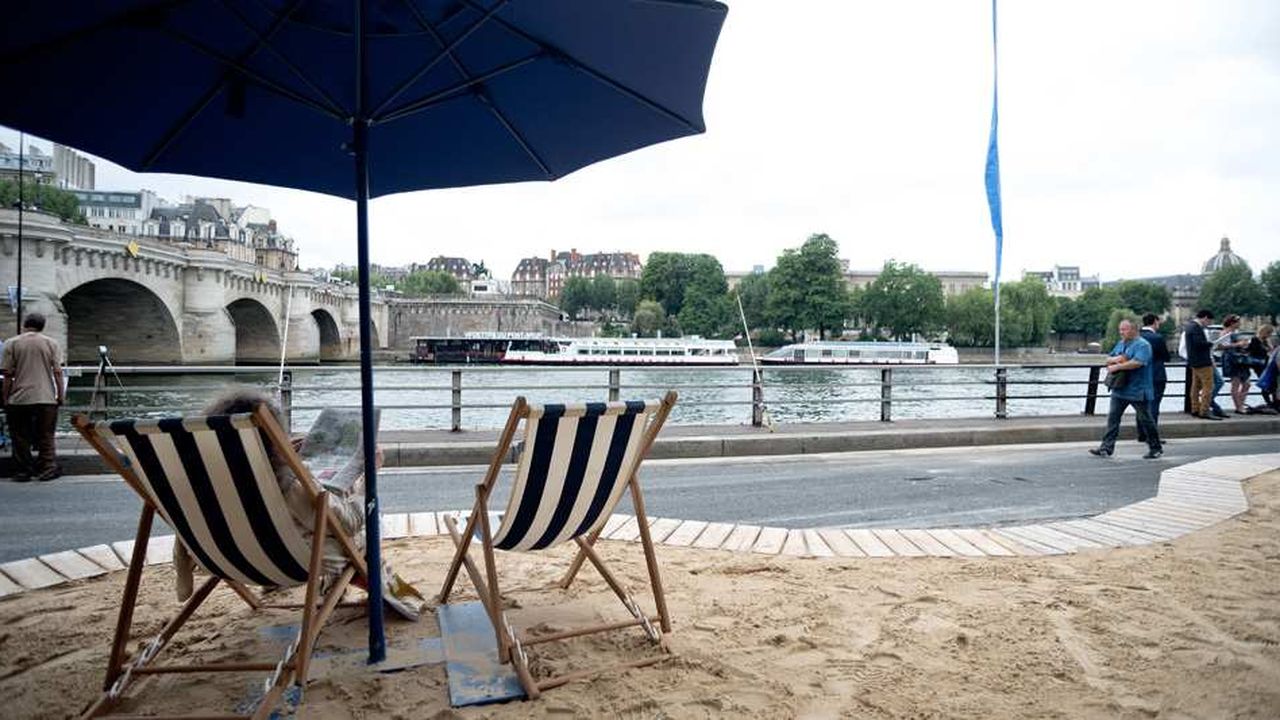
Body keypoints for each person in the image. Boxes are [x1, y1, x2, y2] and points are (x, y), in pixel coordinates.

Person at [172, 389, 424, 619]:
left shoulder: (196, 478)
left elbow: (181, 529)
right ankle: (345, 584)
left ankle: (331, 586)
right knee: (362, 524)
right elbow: (348, 522)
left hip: (222, 559)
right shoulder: (283, 483)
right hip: (295, 562)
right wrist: (368, 475)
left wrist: (285, 452)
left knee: (318, 515)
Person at [2, 313, 65, 482]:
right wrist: (60, 394)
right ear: (42, 326)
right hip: (46, 397)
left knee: (20, 435)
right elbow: (58, 372)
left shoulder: (12, 343)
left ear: (25, 324)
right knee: (46, 434)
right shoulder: (51, 343)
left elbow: (7, 374)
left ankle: (24, 470)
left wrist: (5, 398)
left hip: (20, 397)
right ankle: (48, 468)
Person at [1091, 319, 1162, 459]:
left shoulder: (1143, 345)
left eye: (1124, 329)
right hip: (1120, 388)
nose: (1121, 332)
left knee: (1145, 419)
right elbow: (1108, 358)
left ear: (1134, 330)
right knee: (1113, 419)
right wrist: (1119, 359)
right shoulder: (1121, 343)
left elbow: (1138, 362)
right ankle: (1106, 447)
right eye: (1120, 329)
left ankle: (1155, 447)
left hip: (1138, 389)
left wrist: (1117, 365)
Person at [1136, 313, 1169, 445]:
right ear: (1155, 322)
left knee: (1141, 405)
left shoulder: (1136, 337)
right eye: (1158, 322)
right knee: (1154, 405)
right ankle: (1152, 436)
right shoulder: (1157, 338)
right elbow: (1166, 357)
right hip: (1156, 375)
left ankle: (1141, 434)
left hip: (1139, 376)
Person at [1182, 310, 1218, 420]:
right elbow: (1199, 344)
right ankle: (1204, 411)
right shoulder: (1196, 328)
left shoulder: (1189, 326)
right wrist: (1211, 344)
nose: (1209, 324)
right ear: (1205, 318)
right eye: (1209, 321)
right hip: (1203, 362)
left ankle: (1195, 408)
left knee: (1195, 387)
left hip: (1193, 361)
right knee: (1208, 387)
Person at [1215, 314, 1251, 414]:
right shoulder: (1225, 332)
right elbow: (1221, 346)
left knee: (1247, 384)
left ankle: (1240, 404)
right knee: (1235, 383)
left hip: (1240, 360)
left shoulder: (1236, 332)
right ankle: (1239, 407)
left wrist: (1244, 345)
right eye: (1238, 322)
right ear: (1232, 323)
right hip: (1232, 360)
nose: (1239, 323)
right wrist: (1238, 344)